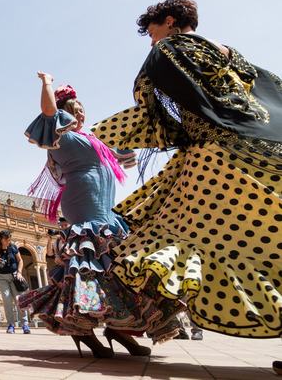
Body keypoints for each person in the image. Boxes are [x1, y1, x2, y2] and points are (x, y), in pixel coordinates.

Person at [90, 0, 282, 370]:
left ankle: (124, 319)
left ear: (170, 21)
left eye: (152, 31)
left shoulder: (170, 48)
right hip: (266, 149)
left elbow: (157, 112)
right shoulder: (230, 54)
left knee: (181, 238)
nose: (151, 41)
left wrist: (106, 134)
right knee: (266, 242)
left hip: (217, 157)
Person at [18, 73, 184, 358]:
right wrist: (47, 83)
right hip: (84, 206)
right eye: (75, 111)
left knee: (118, 267)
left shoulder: (95, 139)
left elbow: (128, 148)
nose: (81, 115)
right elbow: (48, 111)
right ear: (64, 114)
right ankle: (83, 328)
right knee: (90, 267)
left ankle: (120, 328)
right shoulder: (62, 136)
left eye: (82, 110)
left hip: (106, 208)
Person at [0, 230, 30, 334]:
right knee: (7, 300)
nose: (8, 241)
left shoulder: (13, 247)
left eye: (9, 239)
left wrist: (19, 273)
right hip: (1, 277)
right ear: (0, 239)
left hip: (14, 276)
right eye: (6, 240)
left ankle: (25, 324)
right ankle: (11, 324)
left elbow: (20, 260)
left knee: (19, 299)